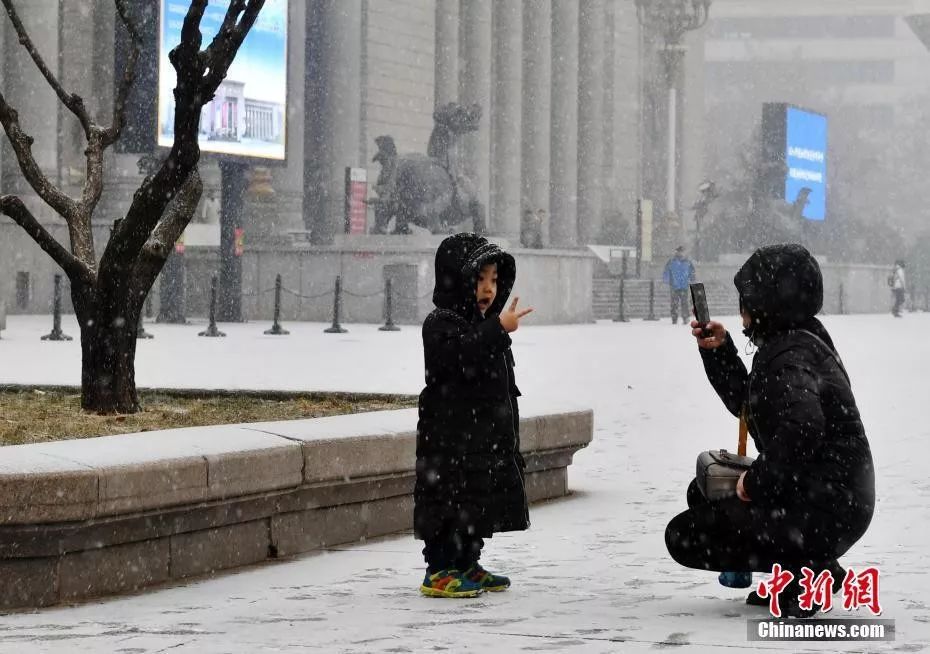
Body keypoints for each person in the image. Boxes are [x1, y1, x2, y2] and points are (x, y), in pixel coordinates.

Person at [665, 244, 875, 618]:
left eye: (747, 300)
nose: (743, 310)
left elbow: (803, 428)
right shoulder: (798, 339)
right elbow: (751, 407)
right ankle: (803, 568)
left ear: (767, 303)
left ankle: (809, 572)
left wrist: (755, 482)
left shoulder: (789, 356)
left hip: (827, 505)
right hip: (830, 497)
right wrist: (720, 351)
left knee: (685, 535)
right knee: (704, 492)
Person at [415, 233, 534, 598]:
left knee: (474, 504)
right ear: (457, 280)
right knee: (447, 505)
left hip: (479, 440)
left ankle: (468, 563)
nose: (488, 289)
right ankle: (439, 570)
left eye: (494, 280)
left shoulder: (483, 323)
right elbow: (459, 359)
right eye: (480, 280)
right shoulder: (442, 322)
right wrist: (496, 330)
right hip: (450, 441)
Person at [663, 246, 696, 325]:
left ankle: (685, 317)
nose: (680, 253)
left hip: (684, 286)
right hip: (674, 286)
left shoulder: (688, 262)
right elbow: (666, 271)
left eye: (682, 251)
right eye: (679, 251)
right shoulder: (671, 261)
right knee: (674, 303)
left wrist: (692, 279)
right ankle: (674, 318)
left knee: (684, 303)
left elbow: (692, 272)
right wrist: (666, 280)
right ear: (676, 252)